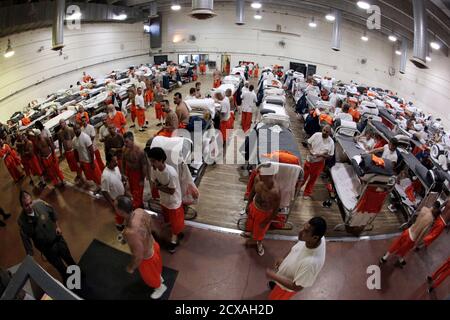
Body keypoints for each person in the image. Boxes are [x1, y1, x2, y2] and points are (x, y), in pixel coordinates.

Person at [18, 190, 77, 282]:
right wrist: (30, 256)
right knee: (60, 267)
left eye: (30, 203)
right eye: (26, 205)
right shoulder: (22, 221)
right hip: (48, 250)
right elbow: (25, 240)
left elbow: (52, 212)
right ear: (22, 206)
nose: (30, 206)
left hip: (58, 240)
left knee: (69, 260)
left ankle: (78, 276)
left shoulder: (40, 205)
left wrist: (57, 227)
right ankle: (71, 285)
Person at [116, 196, 167, 299]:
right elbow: (152, 225)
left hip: (147, 259)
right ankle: (159, 277)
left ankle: (159, 287)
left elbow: (138, 256)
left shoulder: (130, 232)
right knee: (157, 267)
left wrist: (131, 267)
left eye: (115, 207)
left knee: (150, 278)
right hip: (154, 245)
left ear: (120, 211)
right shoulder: (139, 211)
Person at [266, 217, 327, 300]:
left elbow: (297, 287)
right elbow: (296, 248)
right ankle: (277, 284)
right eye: (303, 227)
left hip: (285, 289)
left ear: (315, 237)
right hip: (283, 277)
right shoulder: (317, 239)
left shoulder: (310, 263)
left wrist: (274, 276)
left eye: (306, 231)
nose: (300, 232)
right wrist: (284, 259)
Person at [380, 202, 441, 268]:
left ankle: (385, 257)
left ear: (433, 205)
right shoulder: (431, 220)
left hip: (408, 230)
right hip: (412, 238)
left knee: (397, 243)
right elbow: (423, 233)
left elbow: (416, 218)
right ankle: (399, 259)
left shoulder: (424, 209)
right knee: (404, 249)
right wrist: (417, 243)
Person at [146, 147, 184, 254]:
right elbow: (153, 182)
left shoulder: (171, 173)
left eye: (153, 161)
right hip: (164, 200)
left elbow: (171, 191)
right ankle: (174, 234)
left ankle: (174, 240)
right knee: (168, 220)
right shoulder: (154, 169)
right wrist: (158, 187)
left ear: (161, 160)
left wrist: (158, 187)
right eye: (150, 161)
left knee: (175, 222)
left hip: (173, 202)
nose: (151, 164)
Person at [242, 163, 281, 256]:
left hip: (264, 213)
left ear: (270, 175)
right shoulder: (258, 178)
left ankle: (259, 242)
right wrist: (248, 204)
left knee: (260, 232)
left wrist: (266, 221)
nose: (259, 174)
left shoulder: (275, 192)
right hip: (254, 206)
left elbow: (275, 210)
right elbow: (253, 191)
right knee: (250, 225)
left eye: (262, 173)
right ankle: (251, 234)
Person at [301, 126, 334, 200]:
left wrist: (321, 155)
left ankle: (307, 192)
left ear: (330, 133)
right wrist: (310, 150)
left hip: (319, 163)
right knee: (303, 176)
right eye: (324, 130)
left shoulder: (331, 142)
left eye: (326, 132)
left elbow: (331, 155)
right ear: (322, 129)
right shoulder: (316, 135)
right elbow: (308, 142)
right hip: (309, 159)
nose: (324, 132)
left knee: (313, 179)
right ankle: (297, 188)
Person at [101, 154, 127, 231]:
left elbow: (119, 176)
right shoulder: (105, 176)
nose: (116, 162)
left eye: (116, 160)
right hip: (116, 200)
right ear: (108, 162)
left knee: (123, 212)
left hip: (122, 196)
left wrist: (123, 177)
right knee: (119, 214)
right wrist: (112, 203)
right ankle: (119, 225)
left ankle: (123, 221)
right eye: (114, 161)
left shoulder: (116, 167)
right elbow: (104, 191)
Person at [72, 123, 102, 189]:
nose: (77, 130)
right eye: (75, 129)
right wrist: (78, 161)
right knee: (90, 176)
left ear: (80, 128)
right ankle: (97, 187)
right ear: (73, 130)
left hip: (90, 160)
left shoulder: (85, 137)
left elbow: (91, 150)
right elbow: (75, 152)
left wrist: (92, 162)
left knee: (97, 175)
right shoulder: (74, 140)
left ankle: (102, 187)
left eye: (78, 128)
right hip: (83, 161)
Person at [123, 132, 147, 209]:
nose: (125, 144)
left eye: (127, 142)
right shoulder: (124, 149)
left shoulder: (140, 151)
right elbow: (123, 162)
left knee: (138, 194)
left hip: (137, 175)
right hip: (129, 173)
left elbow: (144, 166)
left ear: (132, 139)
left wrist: (142, 179)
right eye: (124, 142)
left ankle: (139, 207)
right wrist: (123, 174)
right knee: (131, 191)